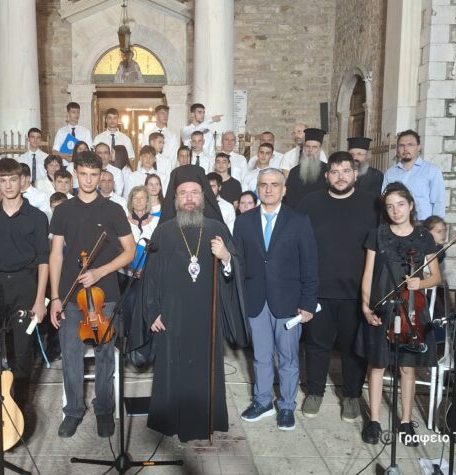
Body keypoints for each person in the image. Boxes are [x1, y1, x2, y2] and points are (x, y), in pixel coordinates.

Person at [130, 165, 249, 442]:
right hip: (171, 316)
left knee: (204, 369)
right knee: (172, 368)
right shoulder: (164, 232)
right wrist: (152, 312)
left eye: (194, 192)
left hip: (207, 316)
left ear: (203, 196)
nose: (189, 198)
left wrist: (226, 257)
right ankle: (170, 421)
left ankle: (204, 421)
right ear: (175, 198)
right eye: (183, 193)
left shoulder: (217, 229)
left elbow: (236, 271)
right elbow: (150, 278)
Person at [49, 151, 135, 438]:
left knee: (104, 354)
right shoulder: (63, 210)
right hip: (70, 294)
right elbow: (56, 255)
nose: (88, 180)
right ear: (75, 173)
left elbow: (129, 251)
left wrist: (100, 272)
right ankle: (73, 411)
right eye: (83, 174)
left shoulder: (113, 210)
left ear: (101, 176)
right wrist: (55, 297)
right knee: (70, 353)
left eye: (94, 175)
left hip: (104, 294)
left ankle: (104, 410)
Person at [296, 152, 380, 422]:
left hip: (356, 292)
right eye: (335, 171)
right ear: (326, 175)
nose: (340, 176)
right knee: (316, 345)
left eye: (346, 171)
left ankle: (352, 396)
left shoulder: (372, 205)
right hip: (318, 290)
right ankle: (315, 392)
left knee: (353, 348)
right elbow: (297, 245)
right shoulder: (310, 203)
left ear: (356, 174)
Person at [234, 168, 318, 431]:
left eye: (274, 184)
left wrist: (307, 303)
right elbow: (238, 262)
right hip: (256, 300)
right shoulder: (243, 222)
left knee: (288, 357)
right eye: (263, 184)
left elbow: (310, 264)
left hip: (289, 303)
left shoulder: (299, 221)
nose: (269, 189)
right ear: (257, 188)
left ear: (284, 190)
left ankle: (286, 406)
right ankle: (262, 402)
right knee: (260, 356)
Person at [360, 182, 441, 447]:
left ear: (411, 205)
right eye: (390, 206)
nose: (396, 210)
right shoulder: (377, 234)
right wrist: (365, 306)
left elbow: (436, 277)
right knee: (377, 364)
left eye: (401, 204)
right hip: (382, 306)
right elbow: (368, 274)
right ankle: (374, 421)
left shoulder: (424, 237)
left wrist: (420, 282)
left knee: (408, 367)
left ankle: (406, 421)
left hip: (412, 310)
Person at [0, 158, 50, 410]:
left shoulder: (37, 217)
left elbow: (43, 260)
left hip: (25, 285)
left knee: (22, 350)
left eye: (13, 179)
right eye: (2, 180)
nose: (8, 185)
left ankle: (20, 407)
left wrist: (40, 300)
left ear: (22, 181)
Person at [382, 129, 446, 220]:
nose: (405, 149)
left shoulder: (432, 171)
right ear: (397, 148)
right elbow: (385, 200)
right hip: (396, 223)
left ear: (418, 147)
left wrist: (435, 225)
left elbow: (438, 202)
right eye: (401, 145)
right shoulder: (390, 173)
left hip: (422, 223)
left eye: (410, 145)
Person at [283, 128, 328, 207]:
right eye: (307, 146)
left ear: (320, 149)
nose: (310, 150)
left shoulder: (328, 170)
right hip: (299, 212)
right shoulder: (294, 172)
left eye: (314, 147)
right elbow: (290, 199)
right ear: (303, 147)